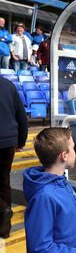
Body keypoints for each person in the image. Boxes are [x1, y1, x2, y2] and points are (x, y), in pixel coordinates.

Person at [0, 75, 28, 238]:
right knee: (4, 181)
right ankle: (4, 228)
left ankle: (3, 211)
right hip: (9, 141)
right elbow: (21, 116)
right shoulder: (8, 85)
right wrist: (21, 141)